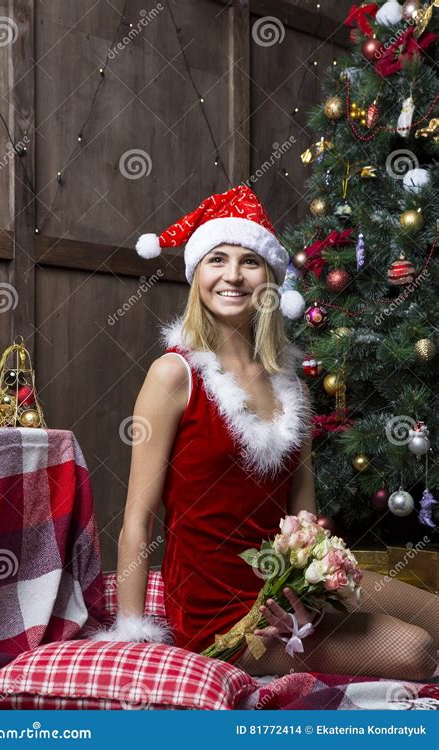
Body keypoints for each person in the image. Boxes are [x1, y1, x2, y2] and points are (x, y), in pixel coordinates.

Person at [91, 186, 438, 681]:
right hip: (223, 617)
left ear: (270, 281)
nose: (232, 275)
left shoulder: (290, 385)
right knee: (416, 651)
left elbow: (304, 514)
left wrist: (316, 585)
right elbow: (136, 523)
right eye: (217, 259)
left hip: (291, 588)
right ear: (196, 276)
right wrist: (132, 635)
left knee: (434, 616)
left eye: (249, 262)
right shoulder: (174, 375)